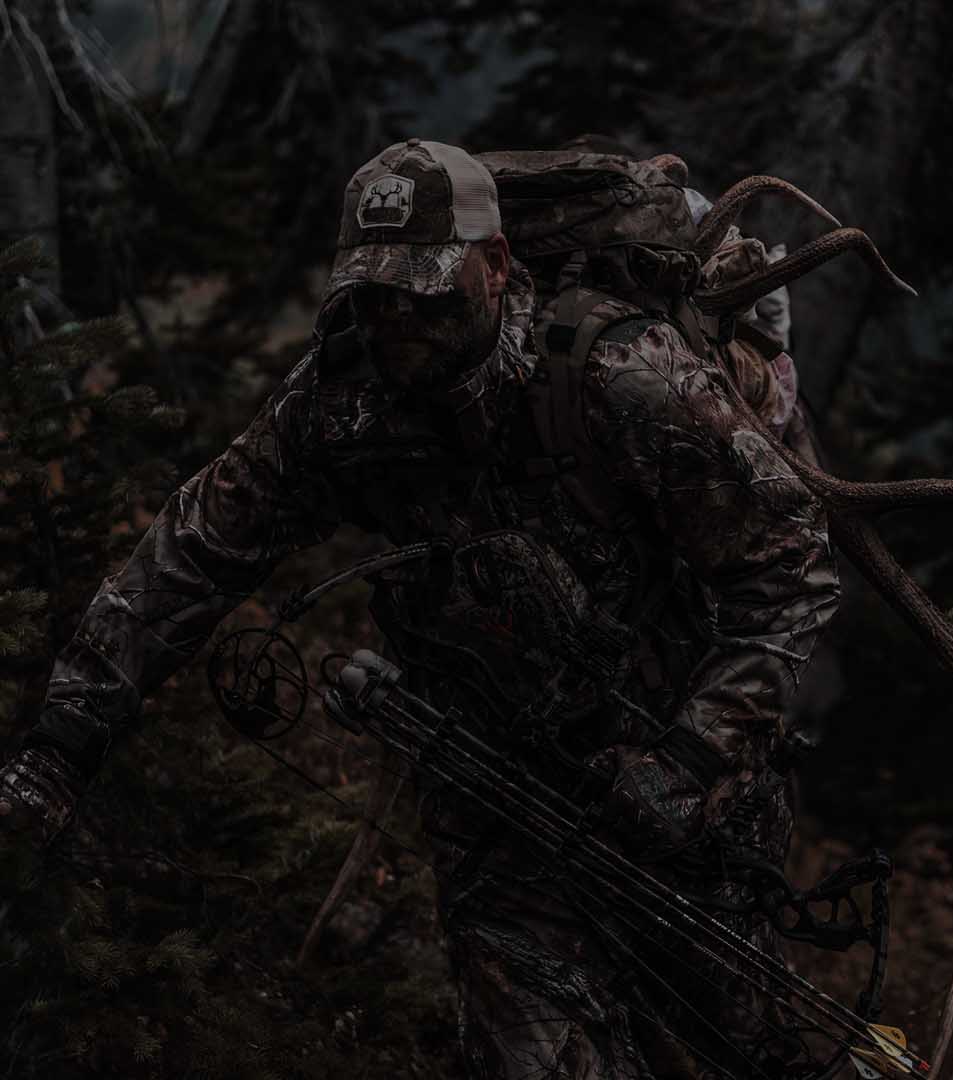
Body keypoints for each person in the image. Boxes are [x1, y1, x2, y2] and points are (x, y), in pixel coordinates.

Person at [0, 138, 841, 1078]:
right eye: (377, 293)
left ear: (496, 264)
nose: (400, 319)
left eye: (427, 292)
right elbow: (191, 554)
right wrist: (60, 748)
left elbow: (791, 569)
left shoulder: (619, 376)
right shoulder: (339, 400)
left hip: (686, 804)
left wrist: (691, 761)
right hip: (496, 804)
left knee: (745, 1051)